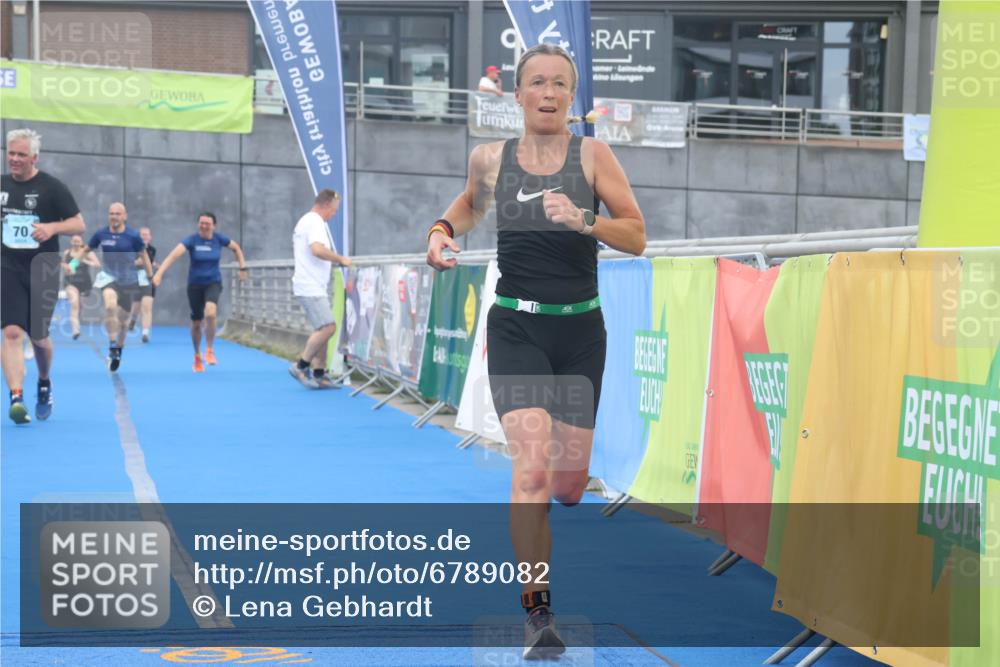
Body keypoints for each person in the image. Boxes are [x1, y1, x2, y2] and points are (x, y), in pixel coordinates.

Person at [426, 44, 645, 659]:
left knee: (569, 487)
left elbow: (637, 235)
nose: (548, 93)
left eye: (559, 85)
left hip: (579, 336)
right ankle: (537, 612)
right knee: (531, 471)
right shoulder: (490, 159)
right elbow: (469, 206)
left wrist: (587, 222)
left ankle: (550, 515)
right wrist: (440, 233)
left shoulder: (595, 156)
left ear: (571, 98)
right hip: (518, 331)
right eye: (537, 83)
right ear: (517, 94)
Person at [2, 128, 86, 423]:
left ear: (34, 157)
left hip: (43, 267)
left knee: (38, 337)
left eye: (21, 154)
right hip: (8, 266)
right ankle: (16, 397)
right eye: (10, 153)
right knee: (11, 331)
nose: (14, 159)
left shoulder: (52, 188)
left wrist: (51, 228)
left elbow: (78, 224)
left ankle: (44, 381)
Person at [153, 212, 247, 372]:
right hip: (195, 285)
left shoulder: (219, 239)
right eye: (201, 223)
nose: (204, 226)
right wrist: (159, 273)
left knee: (210, 313)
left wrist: (242, 267)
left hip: (213, 283)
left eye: (207, 223)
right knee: (196, 323)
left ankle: (209, 350)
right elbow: (173, 256)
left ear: (213, 226)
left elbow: (236, 248)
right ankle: (197, 355)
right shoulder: (192, 240)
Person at [288, 189, 352, 389]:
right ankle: (301, 365)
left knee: (323, 327)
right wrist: (340, 258)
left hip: (312, 284)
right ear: (325, 205)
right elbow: (317, 249)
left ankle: (319, 373)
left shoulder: (307, 221)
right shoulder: (314, 221)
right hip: (310, 285)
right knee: (328, 327)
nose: (333, 215)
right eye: (334, 210)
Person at [87, 202, 152, 372]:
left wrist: (151, 276)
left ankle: (118, 352)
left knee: (124, 322)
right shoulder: (101, 233)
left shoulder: (133, 235)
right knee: (110, 306)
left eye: (117, 213)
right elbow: (85, 250)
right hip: (109, 276)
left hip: (129, 280)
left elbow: (144, 255)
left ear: (124, 216)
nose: (114, 216)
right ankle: (112, 345)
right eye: (111, 213)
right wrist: (71, 265)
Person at [62, 234, 100, 340]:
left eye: (78, 241)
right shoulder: (67, 253)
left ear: (81, 242)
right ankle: (75, 330)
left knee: (80, 306)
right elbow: (65, 266)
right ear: (71, 242)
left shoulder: (87, 252)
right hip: (70, 282)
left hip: (84, 283)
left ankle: (77, 320)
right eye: (74, 241)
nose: (76, 243)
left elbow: (97, 264)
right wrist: (67, 268)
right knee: (74, 304)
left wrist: (85, 261)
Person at [127, 226, 157, 343]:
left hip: (148, 281)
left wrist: (153, 267)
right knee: (136, 306)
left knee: (147, 306)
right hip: (134, 280)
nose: (144, 237)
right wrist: (136, 263)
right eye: (142, 235)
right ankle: (132, 321)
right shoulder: (132, 248)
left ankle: (145, 333)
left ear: (150, 237)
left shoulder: (152, 249)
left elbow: (149, 261)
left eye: (146, 235)